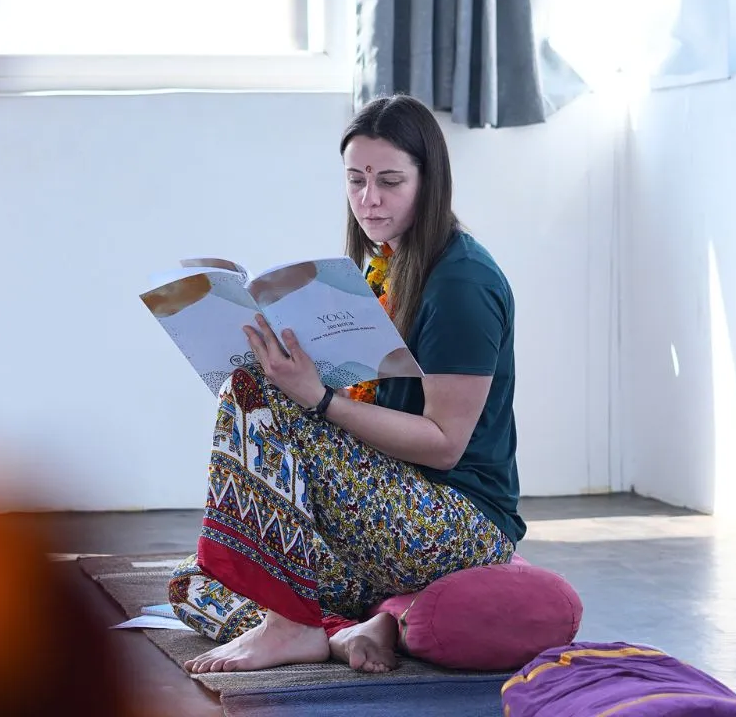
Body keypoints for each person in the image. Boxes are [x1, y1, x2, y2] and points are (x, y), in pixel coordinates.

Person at [169, 93, 526, 675]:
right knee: (190, 585)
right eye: (356, 179)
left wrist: (318, 398)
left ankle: (292, 626)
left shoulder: (462, 285)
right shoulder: (384, 263)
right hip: (381, 504)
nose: (369, 198)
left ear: (429, 182)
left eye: (389, 180)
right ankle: (341, 632)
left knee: (255, 396)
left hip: (459, 524)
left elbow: (444, 443)